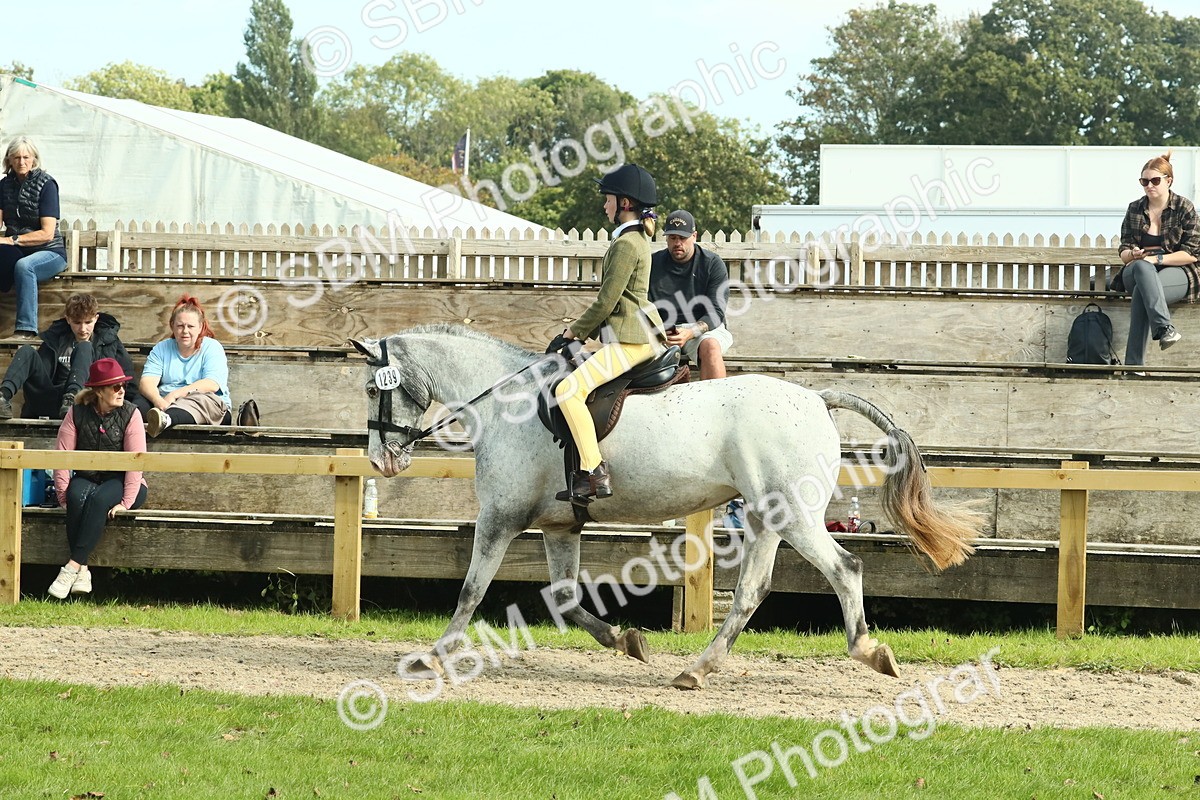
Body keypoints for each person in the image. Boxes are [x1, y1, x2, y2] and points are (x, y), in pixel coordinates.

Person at [553, 163, 664, 502]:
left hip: (632, 339)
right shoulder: (634, 238)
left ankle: (594, 472)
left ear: (625, 202)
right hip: (634, 333)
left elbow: (607, 300)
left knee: (567, 391)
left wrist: (573, 333)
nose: (605, 205)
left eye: (608, 199)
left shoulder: (627, 243)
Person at [47, 358, 148, 599]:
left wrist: (126, 503)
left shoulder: (131, 413)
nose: (122, 391)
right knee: (75, 496)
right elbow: (62, 456)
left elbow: (136, 462)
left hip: (123, 482)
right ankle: (82, 570)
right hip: (87, 477)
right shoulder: (76, 412)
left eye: (123, 385)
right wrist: (63, 497)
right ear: (99, 391)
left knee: (99, 499)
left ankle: (71, 567)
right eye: (116, 386)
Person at [1114, 150, 1200, 366]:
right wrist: (1133, 254)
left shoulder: (1184, 208)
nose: (1149, 186)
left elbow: (1191, 253)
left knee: (1142, 292)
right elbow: (1124, 250)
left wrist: (1157, 260)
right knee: (1142, 268)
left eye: (1154, 180)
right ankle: (1165, 328)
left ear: (1168, 180)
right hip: (1137, 271)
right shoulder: (1135, 208)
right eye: (1144, 181)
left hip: (1177, 271)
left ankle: (1134, 367)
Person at [0, 293, 133, 420]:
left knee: (84, 346)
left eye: (88, 322)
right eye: (77, 322)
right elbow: (42, 376)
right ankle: (3, 396)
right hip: (51, 399)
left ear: (96, 319)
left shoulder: (109, 342)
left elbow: (128, 382)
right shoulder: (54, 339)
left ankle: (71, 398)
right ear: (68, 319)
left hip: (86, 400)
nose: (83, 329)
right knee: (26, 350)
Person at [650, 209, 733, 380]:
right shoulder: (652, 263)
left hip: (702, 328)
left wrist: (690, 332)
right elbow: (643, 305)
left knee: (711, 347)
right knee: (637, 352)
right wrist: (659, 331)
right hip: (663, 330)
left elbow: (716, 312)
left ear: (694, 236)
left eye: (682, 238)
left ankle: (716, 397)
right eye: (672, 238)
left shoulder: (712, 264)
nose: (677, 243)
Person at [134, 294, 232, 437]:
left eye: (190, 326)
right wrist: (158, 401)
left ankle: (166, 420)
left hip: (206, 405)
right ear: (172, 326)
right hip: (164, 403)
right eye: (180, 326)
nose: (185, 331)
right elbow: (146, 383)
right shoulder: (161, 348)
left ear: (200, 327)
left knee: (196, 401)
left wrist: (174, 395)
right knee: (138, 404)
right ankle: (157, 421)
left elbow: (211, 384)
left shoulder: (212, 347)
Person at [0, 136, 68, 337]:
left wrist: (12, 240)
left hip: (50, 252)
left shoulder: (47, 184)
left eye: (26, 157)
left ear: (34, 159)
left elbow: (47, 233)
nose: (21, 162)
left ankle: (26, 329)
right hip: (19, 250)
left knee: (25, 266)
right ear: (9, 160)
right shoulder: (4, 185)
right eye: (16, 157)